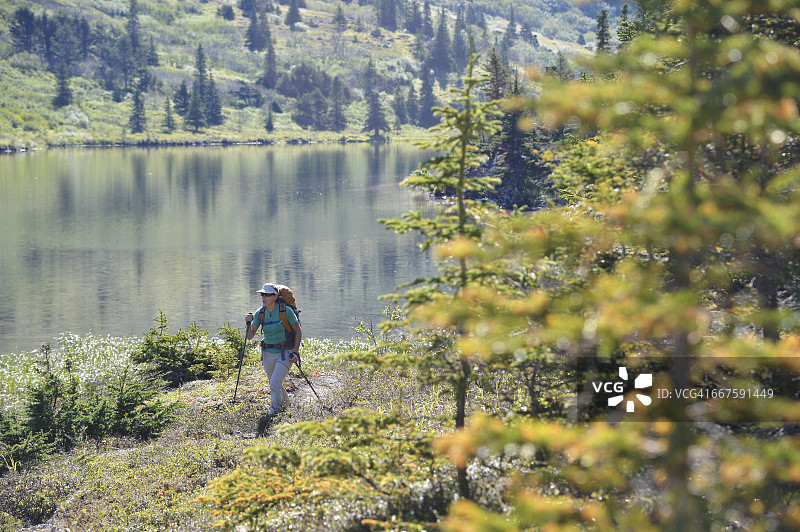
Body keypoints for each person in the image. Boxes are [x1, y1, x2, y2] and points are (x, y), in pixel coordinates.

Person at [246, 283, 302, 417]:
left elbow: (298, 331)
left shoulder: (286, 311)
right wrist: (248, 324)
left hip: (285, 353)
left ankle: (274, 413)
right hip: (267, 353)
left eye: (267, 295)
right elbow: (249, 336)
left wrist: (295, 352)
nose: (264, 297)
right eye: (262, 294)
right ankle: (287, 405)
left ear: (276, 296)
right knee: (274, 383)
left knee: (275, 383)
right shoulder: (260, 312)